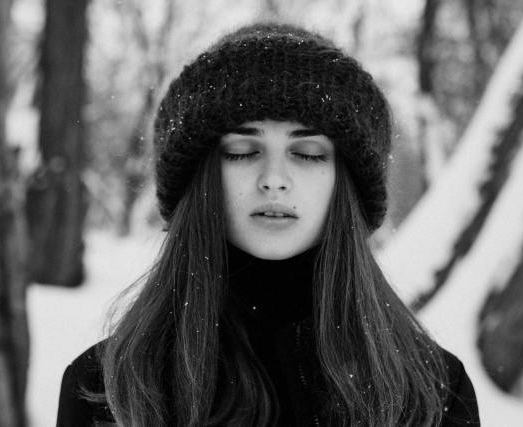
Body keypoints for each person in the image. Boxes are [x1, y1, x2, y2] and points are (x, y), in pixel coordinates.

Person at [56, 22, 479, 427]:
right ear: (198, 178)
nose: (274, 178)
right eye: (242, 150)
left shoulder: (431, 391)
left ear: (345, 184)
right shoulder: (107, 388)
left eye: (309, 152)